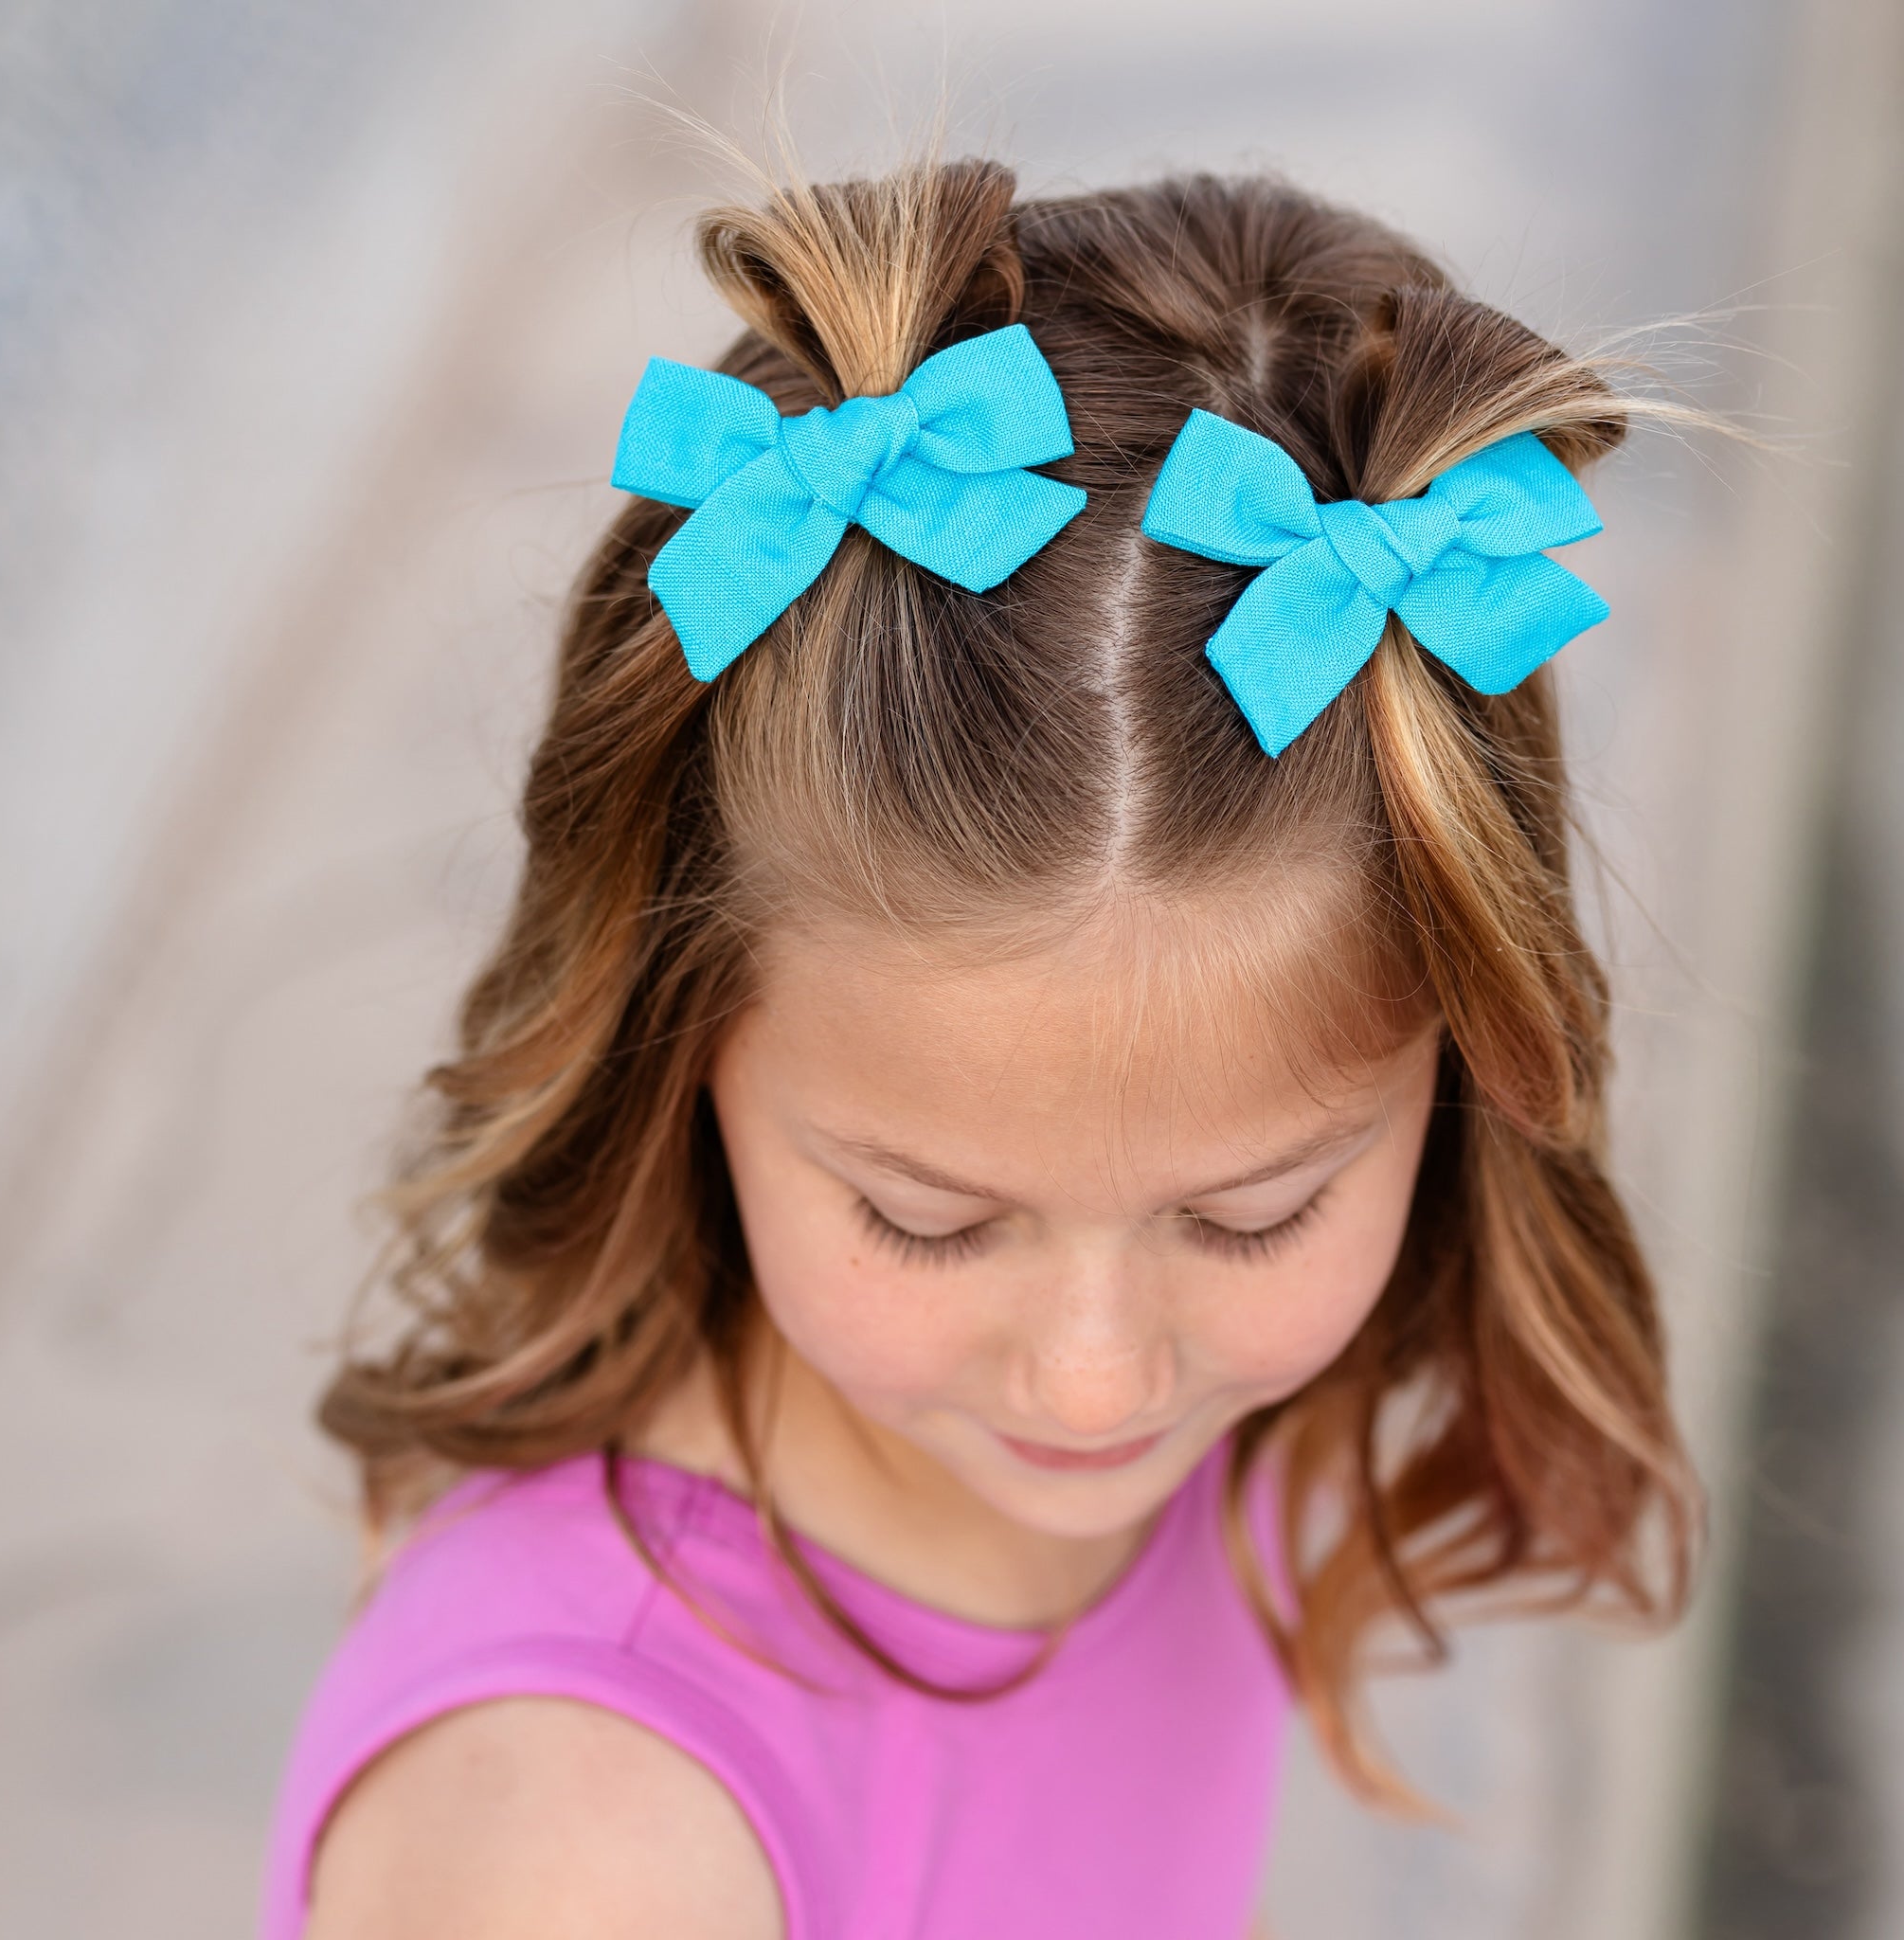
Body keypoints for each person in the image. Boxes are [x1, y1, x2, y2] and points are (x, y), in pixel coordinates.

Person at [261, 156, 1699, 1940]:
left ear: (1463, 1085)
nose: (1093, 1385)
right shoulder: (583, 1843)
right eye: (927, 1221)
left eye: (1250, 1217)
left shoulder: (1228, 1425)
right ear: (675, 1040)